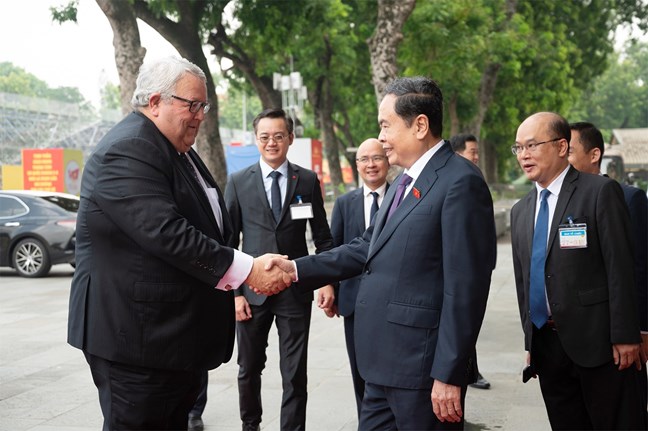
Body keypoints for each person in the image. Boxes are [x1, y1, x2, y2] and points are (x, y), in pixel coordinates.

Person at [67, 56, 291, 431]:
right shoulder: (130, 148)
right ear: (155, 101)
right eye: (193, 105)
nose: (200, 116)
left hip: (170, 341)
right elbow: (166, 232)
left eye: (204, 106)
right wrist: (247, 270)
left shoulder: (174, 149)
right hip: (137, 342)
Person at [267, 76, 497, 430]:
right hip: (380, 365)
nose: (381, 136)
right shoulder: (404, 182)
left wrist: (449, 373)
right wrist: (296, 269)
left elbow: (466, 289)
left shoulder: (460, 182)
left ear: (420, 125)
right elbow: (365, 246)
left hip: (421, 370)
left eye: (386, 125)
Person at [510, 112, 645, 430]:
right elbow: (524, 281)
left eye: (532, 145)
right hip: (548, 346)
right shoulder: (520, 210)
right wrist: (531, 342)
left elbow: (620, 267)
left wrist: (626, 335)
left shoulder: (599, 192)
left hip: (600, 344)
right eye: (518, 148)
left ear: (561, 146)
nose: (524, 155)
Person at [224, 108, 335, 431]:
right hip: (251, 292)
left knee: (295, 372)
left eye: (278, 136)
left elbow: (322, 237)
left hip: (294, 291)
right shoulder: (238, 182)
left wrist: (327, 281)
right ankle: (251, 425)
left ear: (290, 138)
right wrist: (235, 295)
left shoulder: (308, 180)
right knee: (248, 368)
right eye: (264, 137)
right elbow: (229, 243)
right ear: (256, 140)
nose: (271, 142)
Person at [567, 121, 648, 417]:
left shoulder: (629, 198)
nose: (563, 158)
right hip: (577, 337)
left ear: (594, 155)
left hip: (620, 336)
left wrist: (641, 330)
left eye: (569, 151)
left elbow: (639, 269)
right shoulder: (558, 203)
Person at [317, 137, 390, 417]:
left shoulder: (402, 197)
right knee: (359, 370)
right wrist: (328, 285)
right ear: (357, 165)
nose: (371, 164)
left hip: (390, 300)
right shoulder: (345, 203)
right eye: (364, 159)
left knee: (389, 371)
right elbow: (335, 248)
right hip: (354, 302)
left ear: (387, 161)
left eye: (377, 158)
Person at [449, 133, 491, 391]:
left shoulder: (472, 179)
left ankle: (468, 371)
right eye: (472, 152)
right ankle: (467, 371)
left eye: (477, 152)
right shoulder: (459, 181)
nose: (476, 157)